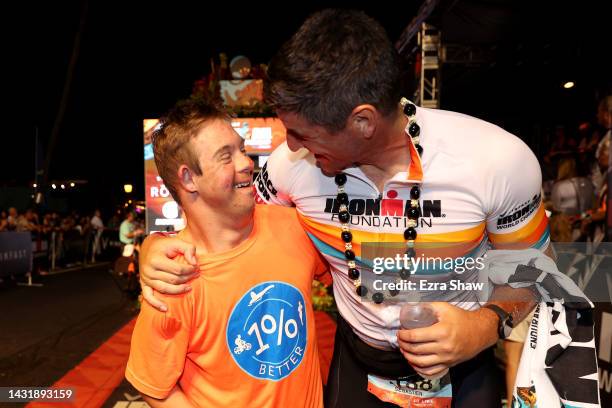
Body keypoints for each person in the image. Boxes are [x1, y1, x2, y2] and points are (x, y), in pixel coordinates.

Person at [139, 9, 551, 407]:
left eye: (303, 133)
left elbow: (535, 266)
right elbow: (226, 222)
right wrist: (156, 248)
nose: (293, 146)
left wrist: (484, 326)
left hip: (463, 369)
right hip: (357, 366)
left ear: (363, 122)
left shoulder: (498, 161)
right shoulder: (289, 168)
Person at [125, 98, 327, 407]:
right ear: (188, 178)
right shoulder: (173, 280)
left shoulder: (295, 227)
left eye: (241, 150)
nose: (247, 163)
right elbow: (155, 387)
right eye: (225, 156)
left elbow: (358, 285)